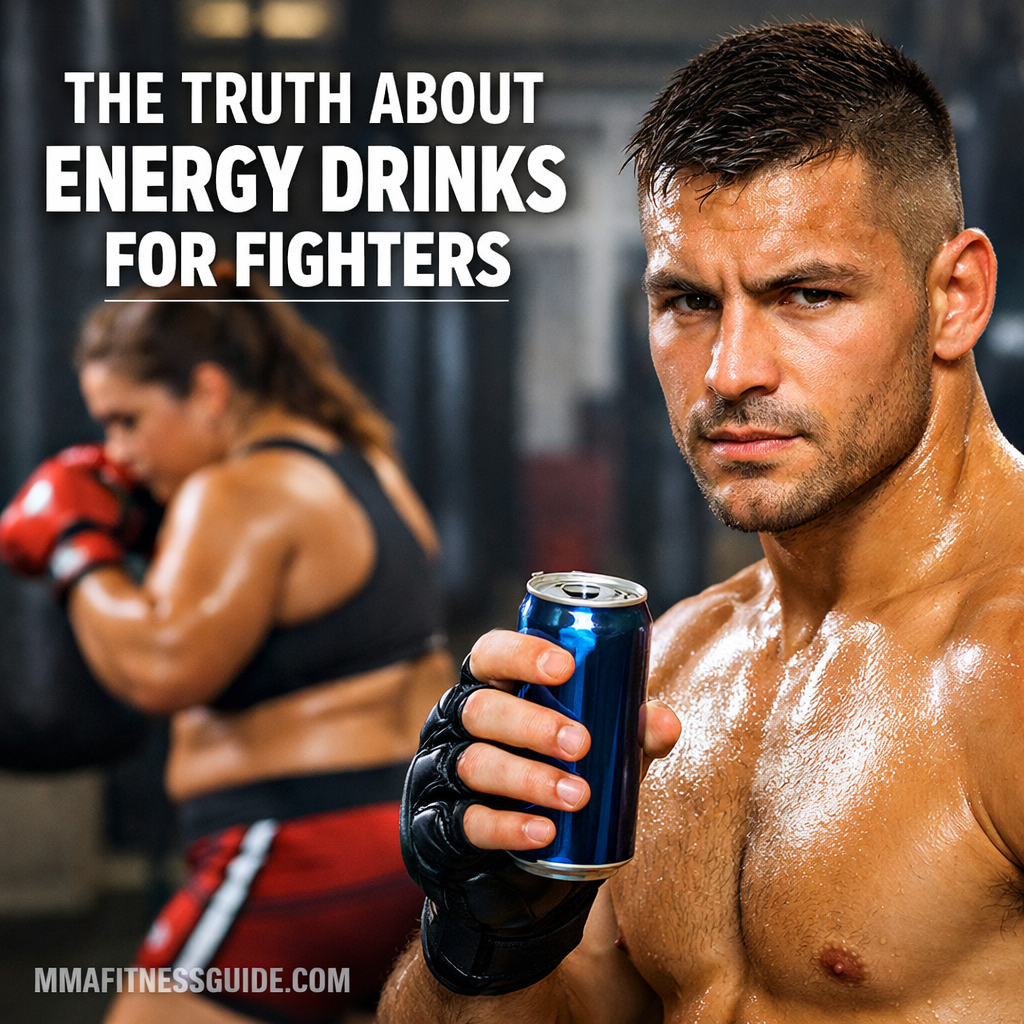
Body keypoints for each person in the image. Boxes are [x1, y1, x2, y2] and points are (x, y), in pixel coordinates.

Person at [380, 22, 1024, 1023]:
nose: (727, 373)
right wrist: (479, 934)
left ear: (955, 296)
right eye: (686, 300)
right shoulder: (672, 671)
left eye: (805, 294)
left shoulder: (1009, 670)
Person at [0, 267, 452, 1024]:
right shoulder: (364, 463)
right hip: (417, 843)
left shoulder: (240, 489)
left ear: (208, 392)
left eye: (127, 420)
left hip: (300, 855)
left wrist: (76, 547)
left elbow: (158, 669)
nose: (115, 453)